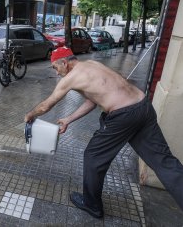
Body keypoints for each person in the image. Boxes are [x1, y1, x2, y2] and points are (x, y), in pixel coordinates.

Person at [24, 47, 183, 218]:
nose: (56, 73)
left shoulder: (71, 78)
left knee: (93, 157)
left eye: (56, 67)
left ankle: (91, 205)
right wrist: (68, 119)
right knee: (164, 162)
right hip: (143, 106)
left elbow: (45, 106)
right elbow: (92, 100)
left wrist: (30, 115)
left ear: (64, 62)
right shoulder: (92, 64)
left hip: (124, 116)